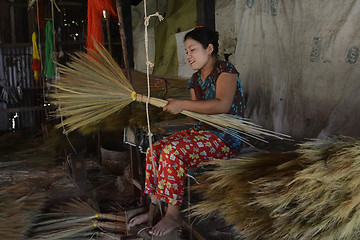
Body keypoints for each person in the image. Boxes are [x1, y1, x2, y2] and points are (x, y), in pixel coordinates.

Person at [128, 26, 245, 236]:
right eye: (186, 51)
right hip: (203, 134)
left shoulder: (226, 71)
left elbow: (222, 105)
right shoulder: (194, 80)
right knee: (155, 149)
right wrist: (176, 107)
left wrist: (182, 104)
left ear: (209, 49)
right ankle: (154, 207)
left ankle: (173, 214)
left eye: (192, 49)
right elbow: (194, 115)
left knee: (173, 152)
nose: (188, 56)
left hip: (225, 137)